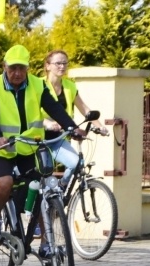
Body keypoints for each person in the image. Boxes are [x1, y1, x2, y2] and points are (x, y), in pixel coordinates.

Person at [0, 44, 83, 245]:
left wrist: (72, 127)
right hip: (1, 149)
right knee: (5, 182)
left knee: (45, 187)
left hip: (27, 147)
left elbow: (54, 108)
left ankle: (47, 244)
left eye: (22, 68)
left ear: (28, 68)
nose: (17, 73)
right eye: (12, 68)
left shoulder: (37, 85)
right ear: (4, 66)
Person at [42, 49, 109, 186]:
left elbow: (85, 109)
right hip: (38, 138)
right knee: (43, 175)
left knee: (75, 163)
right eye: (58, 63)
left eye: (65, 63)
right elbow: (29, 112)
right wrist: (47, 123)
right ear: (48, 65)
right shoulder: (38, 85)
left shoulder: (70, 86)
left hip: (57, 138)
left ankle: (60, 190)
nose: (62, 66)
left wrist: (100, 126)